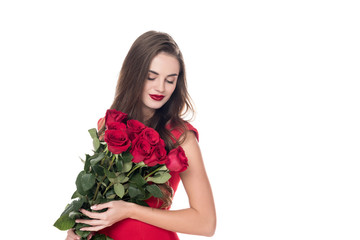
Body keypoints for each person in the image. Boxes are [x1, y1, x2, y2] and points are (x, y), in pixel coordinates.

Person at [66, 30, 216, 240]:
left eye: (170, 80)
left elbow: (206, 223)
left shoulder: (181, 137)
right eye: (151, 77)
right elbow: (96, 196)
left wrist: (130, 210)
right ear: (133, 74)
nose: (160, 88)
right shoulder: (107, 126)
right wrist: (77, 228)